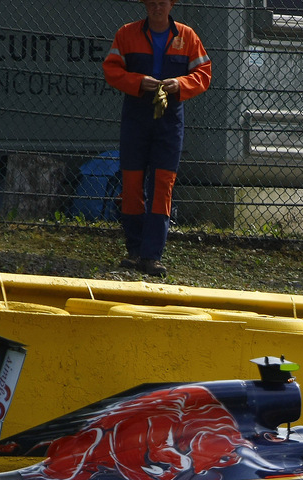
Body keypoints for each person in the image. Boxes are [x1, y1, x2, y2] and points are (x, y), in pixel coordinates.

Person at [103, 0, 211, 278]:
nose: (157, 7)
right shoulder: (126, 34)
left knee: (162, 185)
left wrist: (180, 84)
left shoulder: (187, 36)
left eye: (162, 2)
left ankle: (152, 255)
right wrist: (138, 82)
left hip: (169, 121)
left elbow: (203, 73)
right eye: (151, 2)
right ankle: (135, 250)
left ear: (171, 4)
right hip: (136, 120)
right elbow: (111, 70)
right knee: (131, 183)